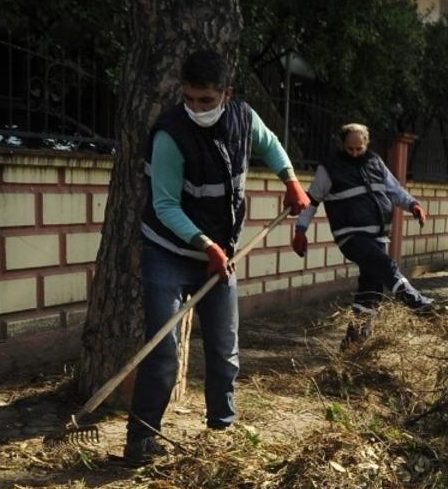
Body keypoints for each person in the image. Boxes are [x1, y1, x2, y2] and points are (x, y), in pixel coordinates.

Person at [126, 49, 310, 465]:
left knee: (225, 350)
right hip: (168, 253)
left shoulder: (244, 117)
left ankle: (220, 435)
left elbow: (271, 145)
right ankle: (140, 440)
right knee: (162, 353)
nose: (197, 108)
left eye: (206, 100)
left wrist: (291, 181)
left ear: (227, 93)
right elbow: (165, 206)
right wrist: (205, 244)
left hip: (219, 254)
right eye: (189, 99)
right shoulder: (170, 136)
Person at [291, 123, 433, 345]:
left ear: (367, 144)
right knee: (385, 265)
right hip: (351, 235)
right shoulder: (329, 168)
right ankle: (416, 302)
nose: (355, 154)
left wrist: (413, 205)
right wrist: (300, 230)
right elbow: (311, 201)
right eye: (350, 149)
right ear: (342, 144)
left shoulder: (375, 162)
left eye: (359, 149)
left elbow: (395, 190)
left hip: (378, 235)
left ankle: (353, 343)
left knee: (371, 288)